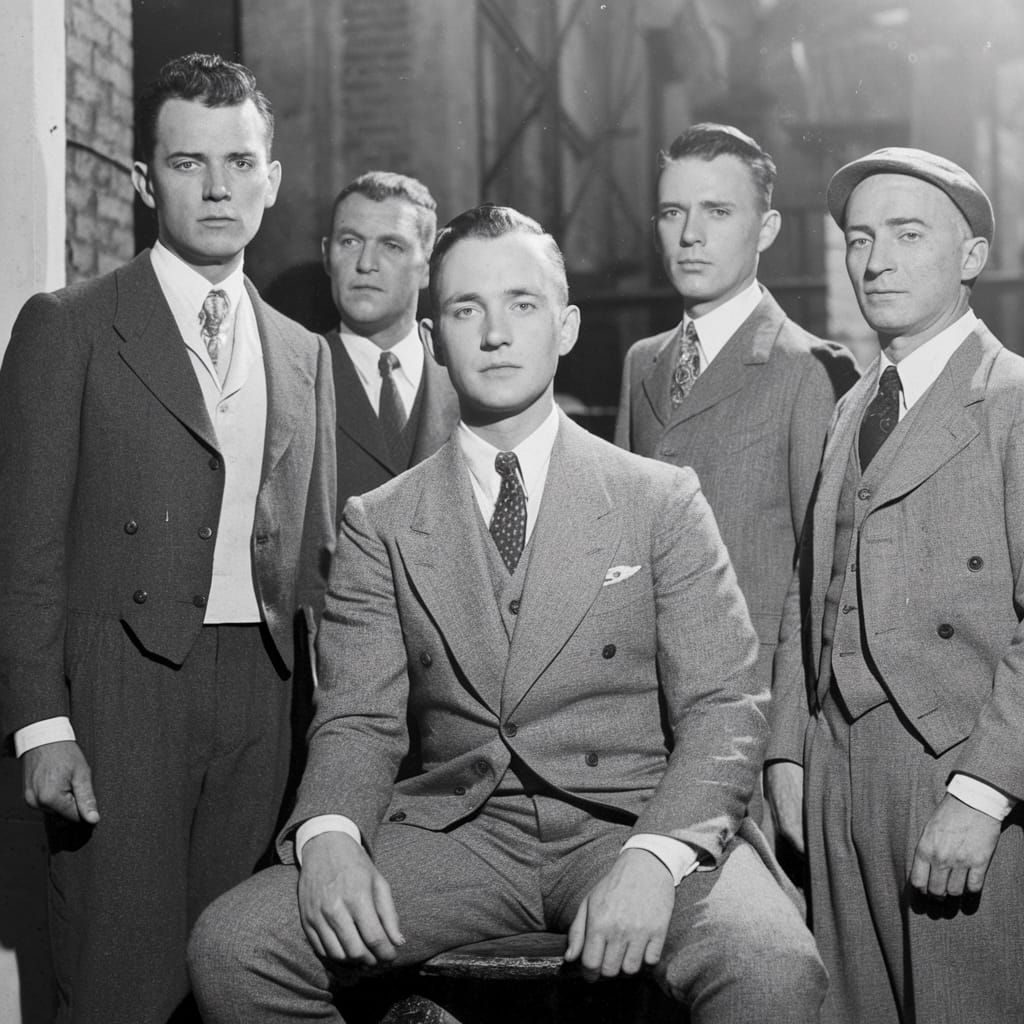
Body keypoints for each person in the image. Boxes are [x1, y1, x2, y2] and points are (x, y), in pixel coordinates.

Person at [188, 203, 826, 1024]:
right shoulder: (380, 521)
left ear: (564, 327)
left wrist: (658, 858)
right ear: (435, 334)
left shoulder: (657, 499)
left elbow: (724, 708)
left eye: (522, 305)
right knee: (234, 945)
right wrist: (333, 838)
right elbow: (356, 720)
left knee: (773, 969)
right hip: (461, 832)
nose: (495, 333)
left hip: (627, 820)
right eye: (466, 309)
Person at [0, 53, 336, 1024]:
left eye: (240, 162)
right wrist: (40, 723)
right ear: (146, 181)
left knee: (237, 973)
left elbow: (318, 564)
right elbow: (22, 547)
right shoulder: (69, 326)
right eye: (190, 163)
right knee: (121, 982)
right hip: (122, 687)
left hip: (265, 693)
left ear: (271, 179)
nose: (219, 186)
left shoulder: (303, 353)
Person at [766, 147, 1024, 1023]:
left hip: (953, 776)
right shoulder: (853, 404)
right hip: (839, 772)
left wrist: (984, 795)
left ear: (971, 258)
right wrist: (791, 753)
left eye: (909, 235)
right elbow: (812, 588)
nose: (875, 260)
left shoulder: (1014, 401)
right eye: (860, 237)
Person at [615, 123, 858, 694]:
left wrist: (786, 750)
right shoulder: (641, 361)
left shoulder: (808, 369)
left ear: (766, 229)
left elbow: (822, 578)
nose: (690, 235)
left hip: (750, 703)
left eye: (718, 212)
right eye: (673, 213)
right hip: (640, 704)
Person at [321, 171, 459, 514]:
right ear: (327, 255)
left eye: (392, 246)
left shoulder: (465, 383)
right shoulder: (293, 375)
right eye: (350, 242)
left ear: (429, 268)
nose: (366, 264)